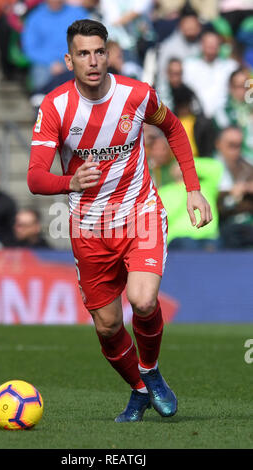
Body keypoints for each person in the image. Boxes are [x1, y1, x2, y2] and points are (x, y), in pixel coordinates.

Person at [27, 19, 212, 422]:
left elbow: (174, 128)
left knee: (143, 301)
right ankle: (140, 389)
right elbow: (35, 177)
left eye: (99, 52)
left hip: (139, 213)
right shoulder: (55, 107)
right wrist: (69, 181)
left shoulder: (136, 94)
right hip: (89, 228)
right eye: (83, 54)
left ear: (108, 53)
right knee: (109, 327)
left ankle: (148, 372)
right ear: (68, 59)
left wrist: (193, 187)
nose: (92, 61)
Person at [183, 30, 239, 118]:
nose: (211, 46)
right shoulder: (189, 65)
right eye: (208, 42)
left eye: (214, 43)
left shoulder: (230, 66)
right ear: (201, 44)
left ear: (219, 45)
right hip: (196, 116)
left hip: (223, 117)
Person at [215, 126, 253, 248]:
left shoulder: (248, 166)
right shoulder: (211, 167)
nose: (236, 150)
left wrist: (245, 189)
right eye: (231, 145)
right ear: (218, 144)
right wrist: (231, 193)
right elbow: (214, 204)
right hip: (224, 227)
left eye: (239, 145)